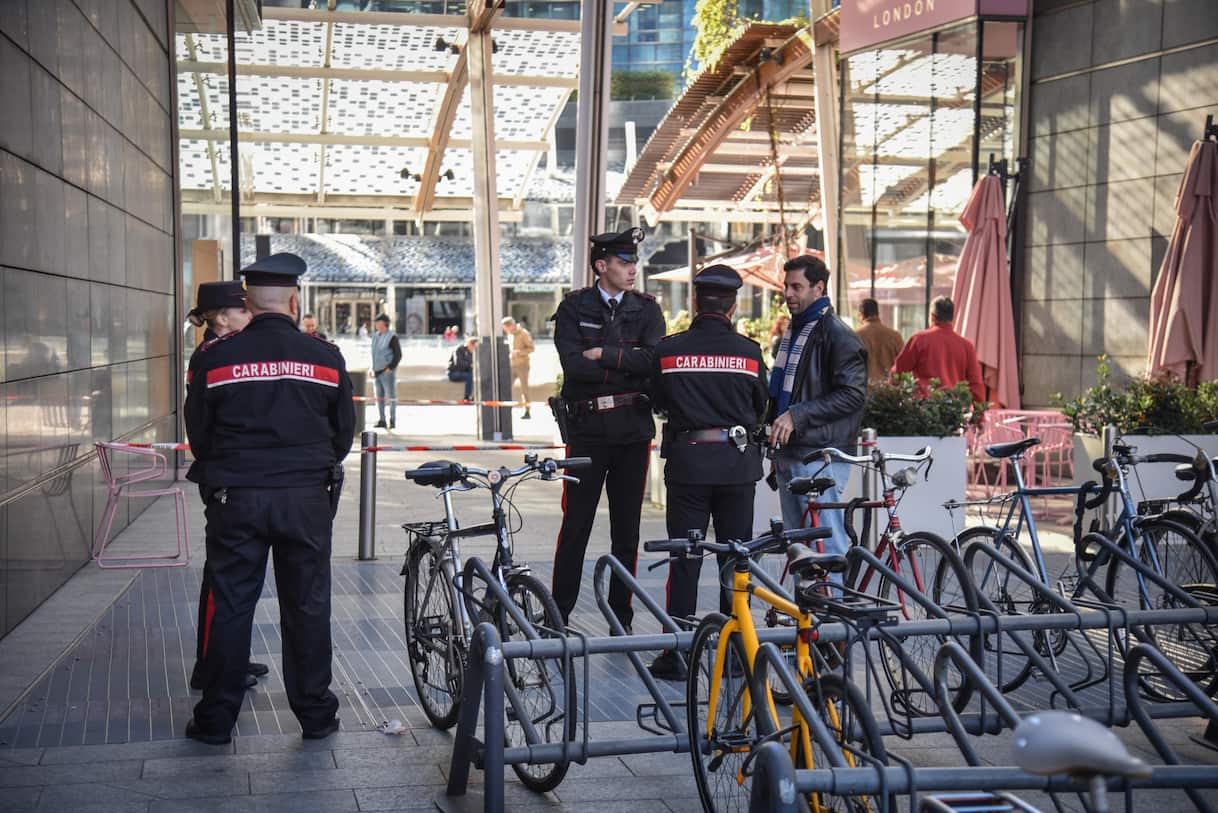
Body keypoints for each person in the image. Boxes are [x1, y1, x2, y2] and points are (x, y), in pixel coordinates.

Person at [184, 253, 355, 745]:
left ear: (248, 300)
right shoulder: (324, 357)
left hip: (236, 498)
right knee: (307, 604)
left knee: (232, 605)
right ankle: (316, 715)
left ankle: (216, 719)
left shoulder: (215, 358)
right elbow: (343, 433)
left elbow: (200, 434)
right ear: (294, 297)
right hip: (305, 498)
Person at [648, 265, 768, 681]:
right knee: (736, 560)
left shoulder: (669, 351)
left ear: (696, 302)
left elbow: (658, 400)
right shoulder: (749, 353)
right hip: (737, 466)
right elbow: (760, 407)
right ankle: (734, 653)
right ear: (733, 306)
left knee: (685, 559)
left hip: (689, 464)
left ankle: (677, 654)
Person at [551, 226, 664, 632]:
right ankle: (558, 613)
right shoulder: (573, 308)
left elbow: (653, 361)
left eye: (634, 261)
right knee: (576, 525)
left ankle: (621, 616)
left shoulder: (647, 309)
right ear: (602, 265)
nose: (633, 269)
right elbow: (573, 365)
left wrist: (603, 354)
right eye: (624, 262)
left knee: (627, 530)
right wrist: (624, 360)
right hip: (587, 431)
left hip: (632, 431)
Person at [184, 281, 266, 693]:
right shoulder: (210, 357)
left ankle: (229, 658)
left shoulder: (228, 352)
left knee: (233, 583)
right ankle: (212, 667)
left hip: (232, 478)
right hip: (224, 480)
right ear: (220, 317)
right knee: (222, 582)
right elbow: (200, 425)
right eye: (242, 310)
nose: (249, 315)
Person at [766, 255, 867, 564]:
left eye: (797, 287)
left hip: (820, 455)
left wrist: (797, 415)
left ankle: (831, 610)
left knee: (826, 547)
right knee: (800, 550)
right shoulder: (797, 330)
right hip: (794, 452)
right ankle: (807, 612)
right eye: (786, 286)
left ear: (818, 288)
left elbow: (853, 395)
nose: (788, 294)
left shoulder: (837, 334)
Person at [891, 296, 985, 403]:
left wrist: (890, 398)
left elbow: (898, 371)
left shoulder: (919, 340)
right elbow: (976, 385)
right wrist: (977, 415)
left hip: (923, 408)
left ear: (932, 316)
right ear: (952, 318)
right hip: (955, 410)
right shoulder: (967, 346)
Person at [855, 297, 904, 384]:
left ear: (861, 315)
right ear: (878, 314)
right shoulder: (895, 336)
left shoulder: (855, 336)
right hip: (890, 392)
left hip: (864, 390)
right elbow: (903, 365)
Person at [371, 314, 401, 429]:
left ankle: (392, 420)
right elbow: (374, 354)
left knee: (391, 397)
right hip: (377, 371)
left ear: (383, 324)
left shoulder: (392, 337)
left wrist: (390, 367)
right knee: (379, 398)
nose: (376, 324)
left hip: (387, 372)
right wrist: (371, 367)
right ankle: (382, 419)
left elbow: (398, 355)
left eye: (377, 322)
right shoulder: (375, 336)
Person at [501, 316, 535, 419]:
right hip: (512, 365)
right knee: (506, 387)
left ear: (510, 326)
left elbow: (532, 348)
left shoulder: (524, 333)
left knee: (524, 389)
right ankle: (504, 409)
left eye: (505, 328)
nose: (504, 330)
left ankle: (527, 411)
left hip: (523, 365)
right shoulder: (510, 334)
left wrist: (520, 353)